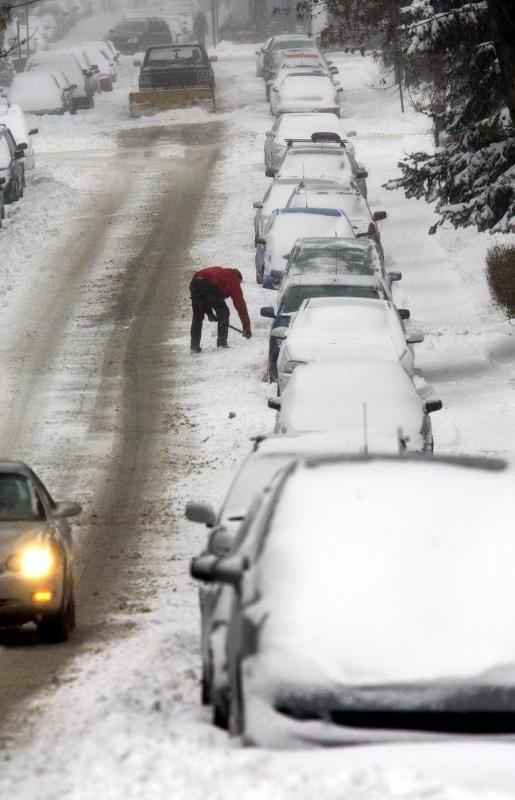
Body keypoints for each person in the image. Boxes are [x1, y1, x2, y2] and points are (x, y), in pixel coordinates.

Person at [190, 266, 252, 353]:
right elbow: (240, 305)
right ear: (238, 279)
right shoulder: (233, 279)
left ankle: (194, 346)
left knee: (197, 316)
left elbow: (203, 296)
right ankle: (222, 344)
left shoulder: (223, 273)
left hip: (195, 282)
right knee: (224, 312)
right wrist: (246, 327)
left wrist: (209, 313)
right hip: (207, 284)